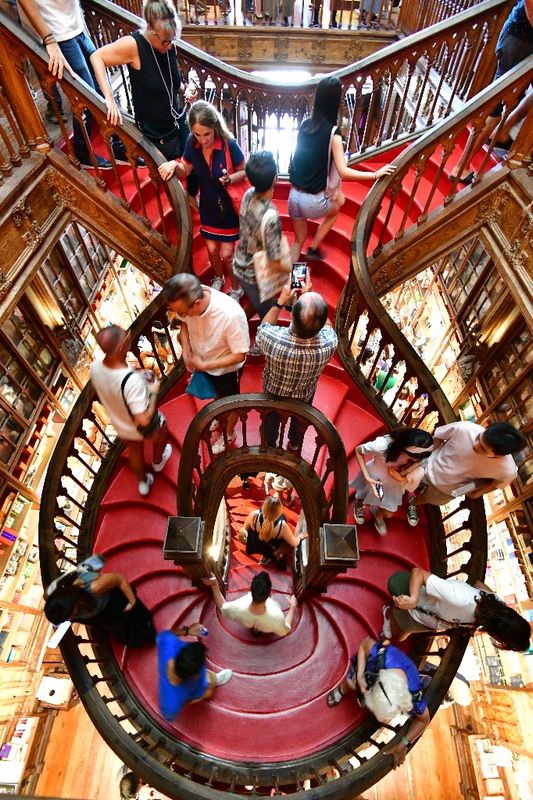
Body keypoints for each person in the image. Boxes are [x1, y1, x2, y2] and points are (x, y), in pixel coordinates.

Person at [288, 75, 395, 261]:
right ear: (336, 101)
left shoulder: (305, 124)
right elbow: (343, 171)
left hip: (293, 197)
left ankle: (293, 285)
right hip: (312, 202)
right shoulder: (333, 134)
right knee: (338, 206)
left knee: (298, 241)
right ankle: (314, 248)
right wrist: (375, 174)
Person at [90, 0, 194, 173]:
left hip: (177, 123)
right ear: (149, 29)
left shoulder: (168, 43)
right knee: (166, 179)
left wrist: (185, 90)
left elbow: (172, 81)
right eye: (164, 41)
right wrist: (109, 98)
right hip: (155, 134)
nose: (169, 45)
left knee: (187, 168)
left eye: (172, 39)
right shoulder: (134, 45)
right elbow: (97, 57)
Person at [17, 0, 120, 169]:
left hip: (74, 26)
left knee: (102, 88)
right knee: (85, 97)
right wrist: (49, 40)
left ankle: (118, 146)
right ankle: (82, 151)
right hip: (55, 32)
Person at [158, 100, 246, 294]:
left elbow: (244, 171)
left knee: (227, 253)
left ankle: (236, 288)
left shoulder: (229, 144)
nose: (203, 140)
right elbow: (186, 169)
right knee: (212, 249)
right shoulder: (192, 142)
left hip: (227, 207)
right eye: (198, 134)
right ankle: (218, 277)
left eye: (206, 134)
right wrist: (174, 165)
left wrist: (230, 178)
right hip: (207, 205)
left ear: (214, 127)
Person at [164, 274, 249, 454]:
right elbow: (183, 323)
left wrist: (206, 364)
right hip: (206, 366)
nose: (181, 315)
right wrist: (187, 350)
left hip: (226, 371)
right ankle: (220, 417)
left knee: (230, 403)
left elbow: (240, 355)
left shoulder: (230, 315)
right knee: (217, 396)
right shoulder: (189, 298)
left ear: (197, 303)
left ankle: (229, 433)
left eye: (184, 311)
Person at [450, 0, 533, 184]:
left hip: (523, 39)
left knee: (507, 99)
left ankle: (503, 130)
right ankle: (461, 167)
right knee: (497, 105)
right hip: (520, 37)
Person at [255, 274, 338, 449]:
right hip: (304, 394)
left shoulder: (272, 339)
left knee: (270, 423)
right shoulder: (329, 343)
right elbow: (329, 327)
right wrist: (311, 297)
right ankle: (294, 443)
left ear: (292, 315)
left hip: (273, 393)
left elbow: (263, 328)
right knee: (300, 422)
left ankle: (270, 444)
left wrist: (280, 301)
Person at [90, 325, 172, 495]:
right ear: (121, 347)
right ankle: (158, 461)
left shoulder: (95, 368)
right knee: (162, 430)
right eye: (125, 336)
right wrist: (153, 392)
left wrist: (137, 377)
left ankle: (143, 482)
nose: (129, 336)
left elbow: (114, 385)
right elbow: (144, 419)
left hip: (121, 424)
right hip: (139, 424)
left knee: (135, 451)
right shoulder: (131, 382)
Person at [327, 636, 430, 768]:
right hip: (371, 669)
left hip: (378, 677)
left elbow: (423, 720)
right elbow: (365, 644)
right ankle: (343, 689)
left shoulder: (414, 697)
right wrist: (359, 678)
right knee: (352, 681)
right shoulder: (381, 656)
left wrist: (404, 743)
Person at [383, 567, 531, 652]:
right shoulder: (460, 598)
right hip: (418, 606)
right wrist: (413, 599)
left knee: (400, 636)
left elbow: (479, 584)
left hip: (430, 618)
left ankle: (395, 614)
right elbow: (418, 573)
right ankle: (388, 612)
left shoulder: (497, 606)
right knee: (398, 635)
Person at [413, 420, 526, 506]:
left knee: (424, 499)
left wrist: (477, 493)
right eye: (478, 438)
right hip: (428, 465)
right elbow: (438, 437)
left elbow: (496, 484)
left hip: (446, 490)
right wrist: (420, 458)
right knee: (403, 483)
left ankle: (412, 503)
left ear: (499, 456)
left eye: (483, 448)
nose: (475, 445)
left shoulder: (507, 470)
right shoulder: (466, 428)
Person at [233, 150, 290, 319]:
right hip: (255, 275)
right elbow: (275, 261)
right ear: (275, 178)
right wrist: (295, 269)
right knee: (268, 316)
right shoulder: (270, 216)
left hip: (240, 265)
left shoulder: (248, 194)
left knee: (256, 302)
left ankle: (239, 327)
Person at [44, 564, 156, 648]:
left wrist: (132, 601)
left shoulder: (94, 588)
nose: (70, 619)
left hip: (112, 603)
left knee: (140, 620)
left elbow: (119, 579)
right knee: (130, 637)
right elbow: (47, 594)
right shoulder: (55, 597)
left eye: (69, 615)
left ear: (73, 602)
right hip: (100, 616)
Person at [352, 428, 433, 534]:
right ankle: (359, 504)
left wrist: (402, 477)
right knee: (367, 494)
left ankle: (377, 513)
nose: (413, 461)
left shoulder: (420, 457)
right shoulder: (381, 446)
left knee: (388, 512)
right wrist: (367, 477)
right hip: (376, 480)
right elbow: (358, 450)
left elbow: (419, 467)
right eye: (411, 459)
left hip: (392, 485)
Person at [157, 623, 232, 721]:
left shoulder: (168, 643)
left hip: (188, 691)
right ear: (196, 676)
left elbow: (165, 635)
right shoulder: (172, 703)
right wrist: (197, 698)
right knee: (209, 687)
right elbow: (171, 713)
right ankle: (215, 680)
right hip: (196, 691)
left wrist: (187, 631)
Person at [202, 571, 298, 636]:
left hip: (247, 620)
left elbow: (222, 606)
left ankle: (255, 627)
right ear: (270, 594)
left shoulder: (239, 606)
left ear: (250, 589)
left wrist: (214, 585)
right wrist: (293, 607)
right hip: (268, 624)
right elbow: (286, 629)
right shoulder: (275, 614)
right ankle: (259, 628)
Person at [238, 496, 307, 569]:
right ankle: (269, 557)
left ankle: (264, 555)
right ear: (278, 512)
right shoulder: (282, 526)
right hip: (271, 550)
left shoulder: (254, 516)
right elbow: (294, 543)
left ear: (264, 507)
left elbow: (245, 528)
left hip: (254, 546)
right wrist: (300, 536)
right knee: (284, 522)